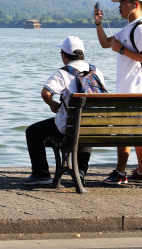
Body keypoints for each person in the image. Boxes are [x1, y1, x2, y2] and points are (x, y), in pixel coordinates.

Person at [21, 36, 106, 186]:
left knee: (32, 132)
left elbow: (45, 93)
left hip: (68, 126)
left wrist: (52, 104)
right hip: (94, 125)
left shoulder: (63, 73)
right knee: (85, 125)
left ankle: (41, 174)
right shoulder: (96, 71)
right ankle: (81, 171)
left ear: (64, 55)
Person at [94, 0, 142, 185]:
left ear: (134, 5)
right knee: (138, 131)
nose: (119, 7)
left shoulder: (141, 28)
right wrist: (98, 24)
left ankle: (120, 172)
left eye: (123, 3)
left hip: (135, 90)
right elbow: (105, 43)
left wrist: (121, 51)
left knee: (124, 129)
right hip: (132, 89)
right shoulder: (128, 28)